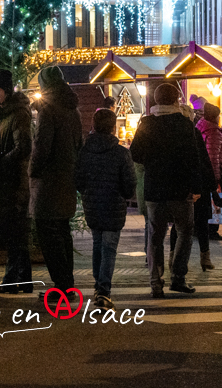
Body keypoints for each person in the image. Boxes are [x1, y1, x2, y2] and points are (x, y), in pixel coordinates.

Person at [131, 82, 203, 299]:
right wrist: (196, 186)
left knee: (155, 235)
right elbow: (193, 157)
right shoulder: (184, 123)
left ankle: (156, 282)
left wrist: (151, 161)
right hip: (180, 188)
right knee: (185, 231)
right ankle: (178, 276)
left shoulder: (146, 123)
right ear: (176, 100)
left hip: (154, 188)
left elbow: (135, 153)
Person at [75, 108, 137, 309]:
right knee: (109, 248)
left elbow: (79, 179)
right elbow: (129, 184)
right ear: (112, 127)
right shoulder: (120, 153)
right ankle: (104, 290)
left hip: (92, 204)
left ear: (93, 125)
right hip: (113, 205)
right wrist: (124, 194)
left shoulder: (85, 151)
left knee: (97, 244)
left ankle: (98, 285)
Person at [30, 65, 82, 292]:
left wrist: (32, 170)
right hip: (67, 178)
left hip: (49, 181)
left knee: (47, 232)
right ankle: (66, 282)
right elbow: (78, 144)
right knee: (62, 231)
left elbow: (42, 145)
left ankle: (61, 284)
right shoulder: (73, 110)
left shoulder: (47, 111)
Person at [0, 69, 33, 293]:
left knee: (14, 230)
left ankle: (11, 279)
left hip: (14, 181)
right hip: (3, 179)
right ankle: (24, 279)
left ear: (6, 91)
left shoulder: (18, 114)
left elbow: (23, 147)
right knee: (14, 231)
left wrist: (2, 160)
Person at [195, 101, 222, 268]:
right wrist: (215, 179)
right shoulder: (213, 132)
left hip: (197, 178)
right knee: (209, 210)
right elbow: (213, 158)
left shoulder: (198, 128)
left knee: (201, 215)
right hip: (207, 179)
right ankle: (205, 255)